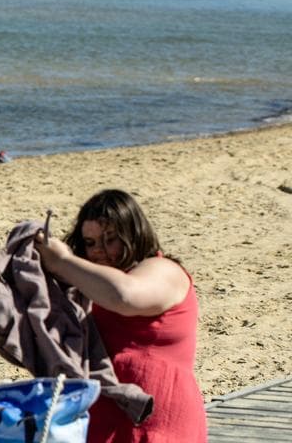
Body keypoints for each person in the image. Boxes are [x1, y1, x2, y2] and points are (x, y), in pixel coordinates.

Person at [34, 189, 206, 442]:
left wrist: (62, 261)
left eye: (110, 239)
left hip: (156, 421)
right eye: (90, 243)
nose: (99, 251)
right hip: (100, 423)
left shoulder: (164, 269)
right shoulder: (91, 284)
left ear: (134, 233)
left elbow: (124, 296)